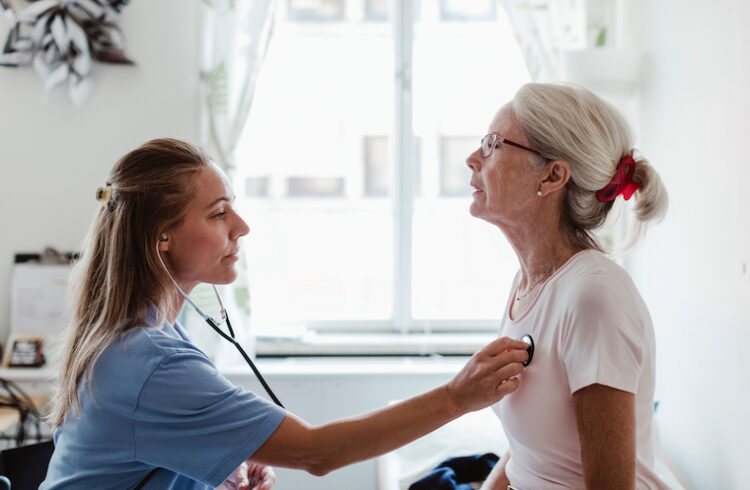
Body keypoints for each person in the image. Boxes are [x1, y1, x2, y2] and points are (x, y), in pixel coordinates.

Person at [39, 138, 530, 490]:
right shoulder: (149, 361)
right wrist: (458, 396)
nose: (242, 226)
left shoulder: (147, 334)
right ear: (159, 239)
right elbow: (317, 453)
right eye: (219, 213)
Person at [465, 83, 671, 489]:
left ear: (553, 174)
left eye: (492, 145)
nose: (473, 159)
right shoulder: (527, 284)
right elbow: (533, 451)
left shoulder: (594, 297)